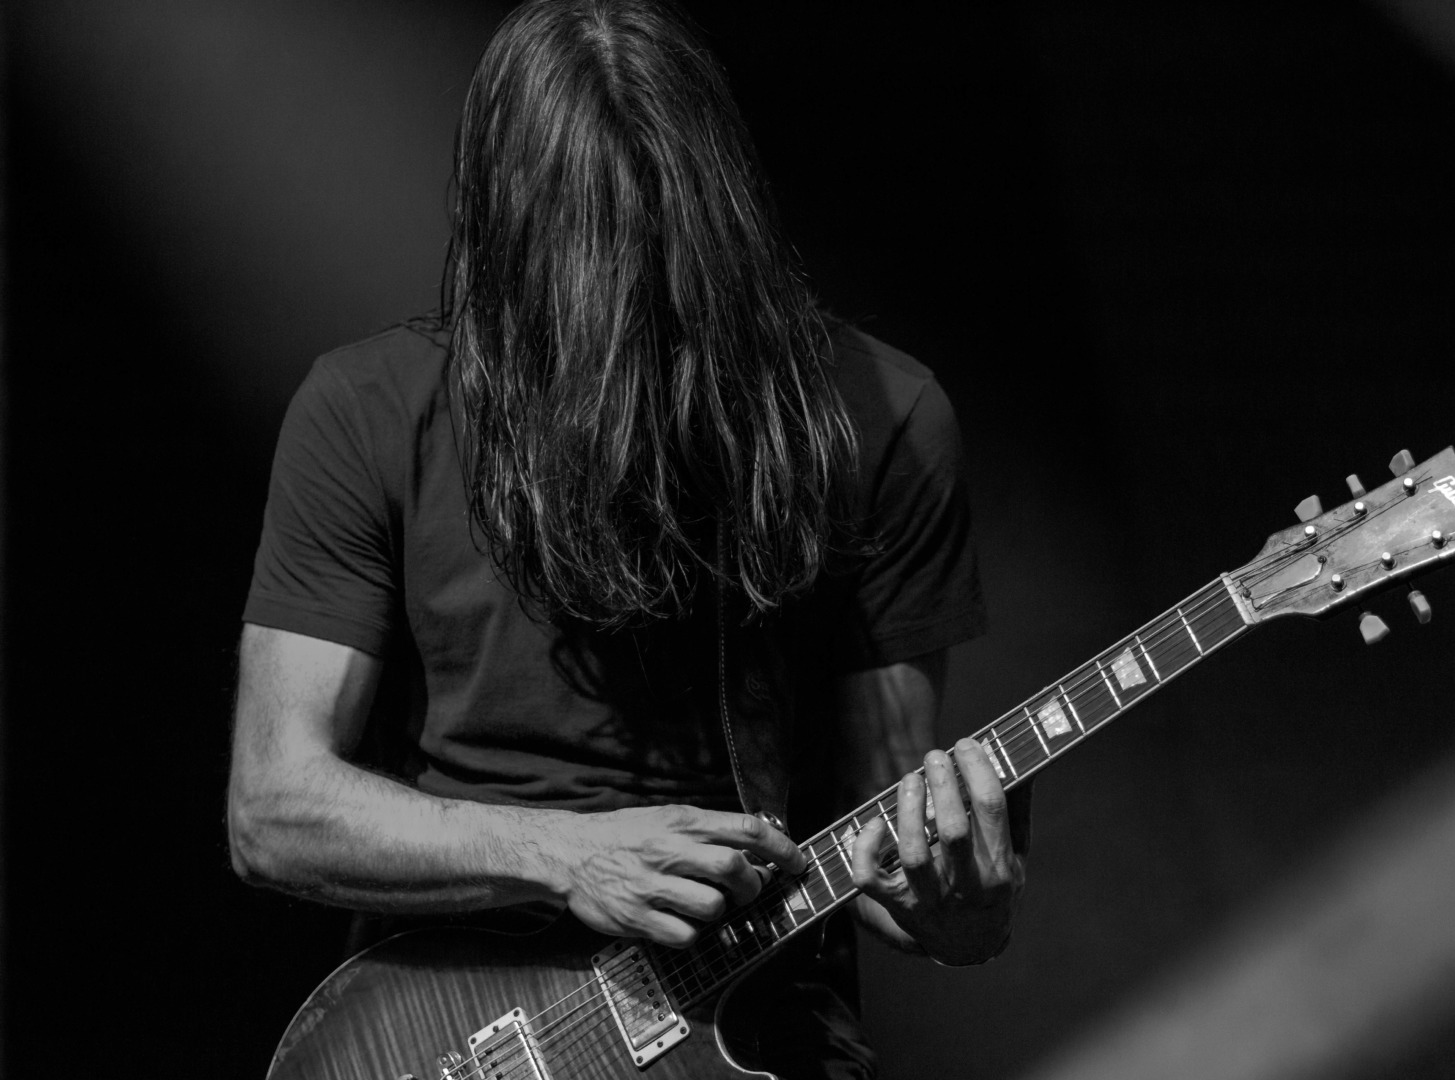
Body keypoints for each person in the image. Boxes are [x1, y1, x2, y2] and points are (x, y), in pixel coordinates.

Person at [227, 1, 1029, 1075]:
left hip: (762, 1033)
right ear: (508, 231)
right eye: (591, 253)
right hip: (459, 1037)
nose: (631, 293)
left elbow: (899, 870)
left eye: (664, 248)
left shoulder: (876, 417)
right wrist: (564, 857)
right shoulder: (367, 412)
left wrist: (964, 911)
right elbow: (275, 808)